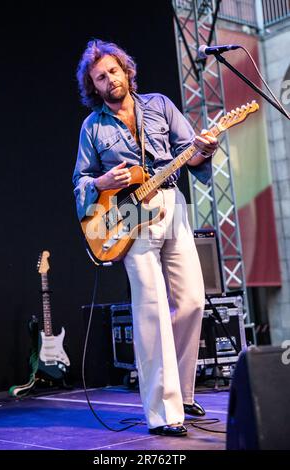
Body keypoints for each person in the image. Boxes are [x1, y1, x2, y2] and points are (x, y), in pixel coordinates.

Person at [73, 39, 218, 437]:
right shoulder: (93, 126)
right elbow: (79, 183)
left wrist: (205, 150)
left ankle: (182, 393)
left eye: (113, 71)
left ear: (126, 70)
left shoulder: (159, 105)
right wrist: (101, 181)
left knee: (191, 301)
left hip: (171, 203)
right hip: (129, 219)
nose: (109, 80)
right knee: (151, 311)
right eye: (99, 77)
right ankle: (164, 413)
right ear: (93, 86)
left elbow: (192, 154)